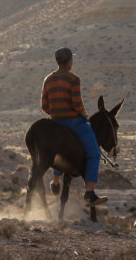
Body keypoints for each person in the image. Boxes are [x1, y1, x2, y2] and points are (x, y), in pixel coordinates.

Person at [40, 47, 107, 206]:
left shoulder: (48, 79)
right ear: (69, 61)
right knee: (94, 153)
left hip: (55, 122)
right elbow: (77, 103)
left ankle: (56, 181)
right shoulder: (74, 79)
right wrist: (83, 115)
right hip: (73, 122)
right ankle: (90, 193)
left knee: (57, 151)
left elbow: (44, 105)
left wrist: (55, 113)